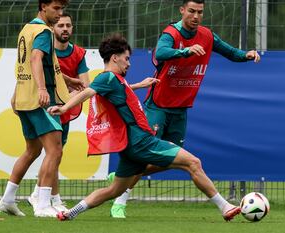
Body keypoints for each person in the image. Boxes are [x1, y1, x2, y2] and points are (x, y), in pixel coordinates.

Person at [47, 33, 241, 222]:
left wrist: (140, 84)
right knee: (194, 163)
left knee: (114, 190)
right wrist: (64, 107)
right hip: (141, 141)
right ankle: (225, 206)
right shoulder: (106, 78)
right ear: (115, 58)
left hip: (130, 146)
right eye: (126, 58)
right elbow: (87, 92)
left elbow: (120, 91)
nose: (129, 63)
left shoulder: (114, 80)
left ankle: (71, 212)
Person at [109, 0, 261, 218]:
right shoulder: (171, 33)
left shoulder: (207, 36)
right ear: (182, 11)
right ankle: (120, 201)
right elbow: (160, 53)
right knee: (146, 157)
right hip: (158, 107)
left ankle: (121, 175)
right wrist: (186, 52)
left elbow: (230, 52)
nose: (196, 16)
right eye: (191, 11)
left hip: (180, 110)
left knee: (171, 162)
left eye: (200, 12)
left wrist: (245, 55)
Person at [0, 0, 73, 218]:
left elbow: (26, 64)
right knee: (55, 149)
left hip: (23, 98)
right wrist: (42, 89)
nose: (60, 14)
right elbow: (35, 58)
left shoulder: (27, 29)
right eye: (56, 9)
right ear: (43, 7)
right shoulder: (43, 31)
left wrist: (67, 79)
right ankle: (42, 204)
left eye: (61, 9)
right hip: (40, 100)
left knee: (32, 150)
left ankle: (7, 199)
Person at [27, 12, 90, 212]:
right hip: (44, 106)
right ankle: (46, 198)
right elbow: (30, 72)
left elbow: (86, 86)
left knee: (55, 154)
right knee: (51, 153)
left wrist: (65, 103)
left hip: (63, 109)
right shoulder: (43, 48)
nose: (65, 29)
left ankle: (44, 195)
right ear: (53, 28)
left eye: (68, 25)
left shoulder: (78, 53)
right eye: (61, 25)